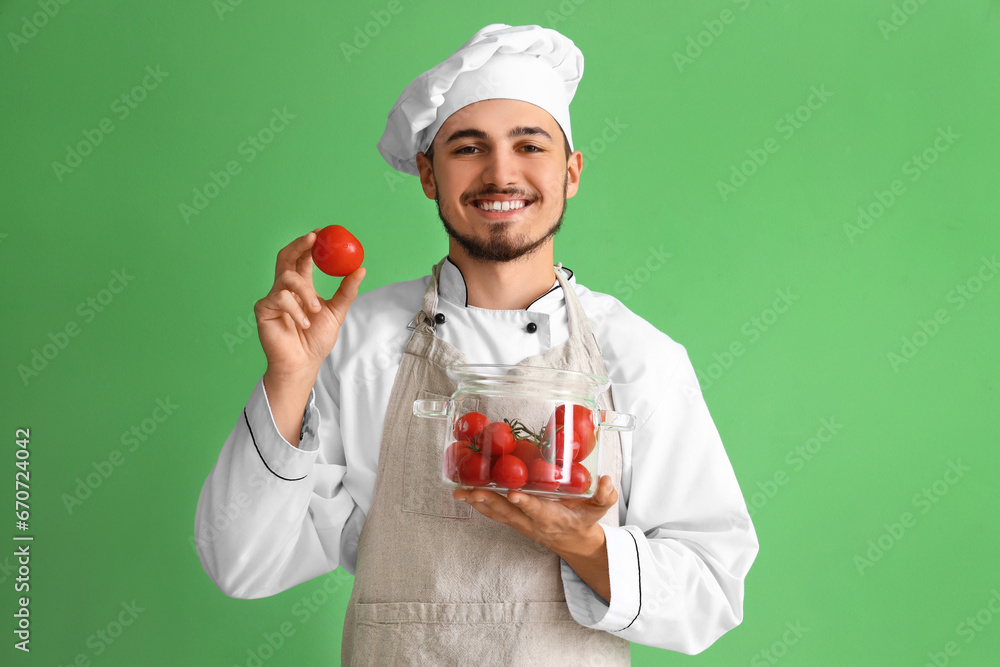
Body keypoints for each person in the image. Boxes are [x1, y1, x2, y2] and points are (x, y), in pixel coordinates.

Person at [195, 23, 758, 664]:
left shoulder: (638, 357)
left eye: (530, 145)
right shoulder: (358, 345)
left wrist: (585, 546)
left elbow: (712, 590)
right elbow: (239, 561)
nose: (501, 174)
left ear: (570, 172)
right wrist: (290, 378)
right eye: (468, 148)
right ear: (429, 176)